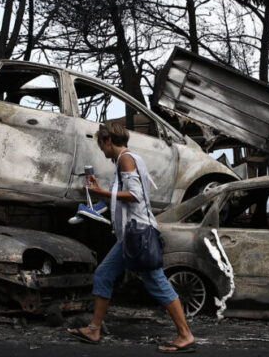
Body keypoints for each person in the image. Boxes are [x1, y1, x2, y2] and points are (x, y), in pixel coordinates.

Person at [67, 122, 196, 353]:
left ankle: (185, 335)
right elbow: (124, 199)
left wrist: (101, 192)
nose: (102, 151)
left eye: (101, 145)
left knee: (156, 281)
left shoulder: (126, 159)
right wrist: (102, 196)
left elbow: (135, 196)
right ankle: (94, 329)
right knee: (104, 274)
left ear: (108, 141)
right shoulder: (127, 160)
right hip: (129, 235)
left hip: (139, 234)